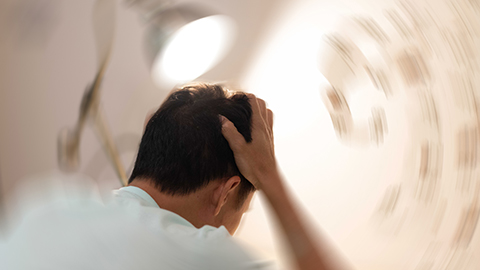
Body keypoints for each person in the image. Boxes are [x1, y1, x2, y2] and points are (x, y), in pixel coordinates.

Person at [3, 83, 343, 270]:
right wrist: (269, 178)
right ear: (226, 192)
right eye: (244, 210)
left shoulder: (42, 205)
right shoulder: (204, 255)